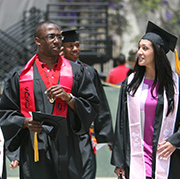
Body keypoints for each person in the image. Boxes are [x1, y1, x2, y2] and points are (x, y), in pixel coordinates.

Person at [0, 21, 99, 179]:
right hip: (35, 147)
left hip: (69, 146)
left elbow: (92, 105)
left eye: (59, 37)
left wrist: (70, 99)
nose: (57, 41)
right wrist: (25, 122)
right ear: (37, 40)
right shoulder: (21, 76)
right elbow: (5, 111)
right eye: (51, 36)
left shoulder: (76, 72)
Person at [111, 21, 180, 179]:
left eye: (145, 48)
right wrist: (119, 161)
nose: (139, 52)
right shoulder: (131, 84)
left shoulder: (177, 85)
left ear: (157, 52)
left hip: (168, 158)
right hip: (136, 158)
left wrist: (175, 141)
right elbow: (121, 123)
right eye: (139, 47)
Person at [61, 29, 114, 179]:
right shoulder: (56, 72)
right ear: (61, 48)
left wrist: (106, 135)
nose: (75, 49)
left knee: (87, 171)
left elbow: (100, 104)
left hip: (84, 134)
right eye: (70, 45)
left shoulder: (89, 71)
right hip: (63, 132)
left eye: (77, 45)